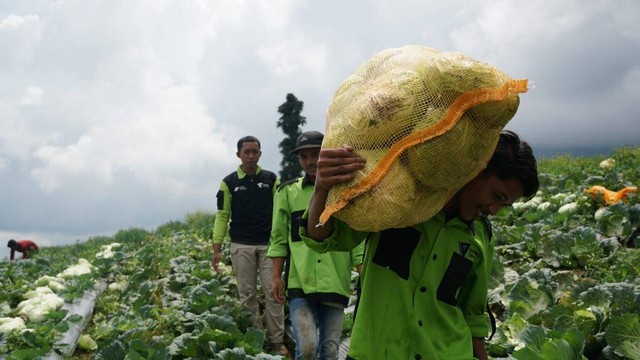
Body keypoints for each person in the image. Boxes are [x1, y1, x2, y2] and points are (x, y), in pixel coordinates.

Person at [300, 130, 539, 360]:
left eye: (504, 205)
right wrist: (321, 188)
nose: (494, 210)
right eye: (497, 196)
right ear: (477, 169)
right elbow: (322, 237)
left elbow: (472, 314)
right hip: (376, 351)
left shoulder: (479, 237)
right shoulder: (398, 202)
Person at [267, 131, 365, 360]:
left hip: (335, 280)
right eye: (304, 156)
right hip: (300, 281)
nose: (310, 161)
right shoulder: (287, 193)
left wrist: (363, 274)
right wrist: (275, 276)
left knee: (330, 349)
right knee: (307, 348)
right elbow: (279, 238)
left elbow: (356, 239)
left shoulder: (344, 189)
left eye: (316, 154)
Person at [212, 135, 287, 355]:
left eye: (255, 152)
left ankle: (277, 342)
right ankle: (256, 342)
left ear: (260, 153)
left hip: (269, 246)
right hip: (241, 245)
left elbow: (281, 212)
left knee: (274, 292)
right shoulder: (229, 183)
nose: (251, 156)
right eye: (247, 152)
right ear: (239, 155)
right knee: (247, 296)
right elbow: (222, 215)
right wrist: (216, 249)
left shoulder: (272, 179)